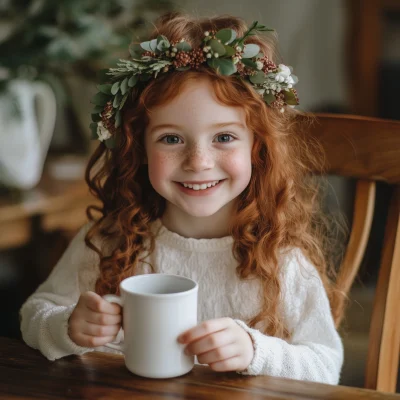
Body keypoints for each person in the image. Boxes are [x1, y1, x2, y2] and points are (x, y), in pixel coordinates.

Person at [20, 12, 345, 384]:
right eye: (171, 138)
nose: (198, 162)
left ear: (258, 148)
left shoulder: (279, 258)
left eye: (224, 137)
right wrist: (68, 327)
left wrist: (257, 350)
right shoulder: (110, 241)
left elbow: (326, 365)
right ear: (138, 148)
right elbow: (35, 314)